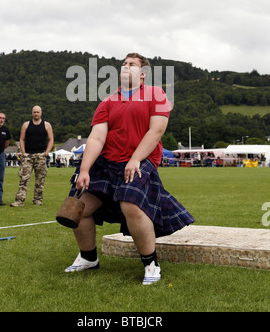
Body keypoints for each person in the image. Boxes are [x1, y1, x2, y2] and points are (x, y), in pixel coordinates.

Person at [64, 53, 195, 285]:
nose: (125, 66)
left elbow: (156, 130)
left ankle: (151, 263)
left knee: (130, 204)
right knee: (79, 207)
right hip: (106, 162)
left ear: (142, 74)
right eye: (123, 64)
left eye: (131, 64)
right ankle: (88, 258)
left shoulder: (156, 94)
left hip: (140, 159)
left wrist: (135, 159)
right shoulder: (108, 101)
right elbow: (96, 137)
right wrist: (84, 169)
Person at [10, 106, 53, 207]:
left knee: (40, 179)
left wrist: (46, 152)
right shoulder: (26, 124)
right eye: (34, 112)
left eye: (38, 112)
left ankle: (37, 199)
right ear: (32, 113)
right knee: (24, 178)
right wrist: (23, 152)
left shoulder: (47, 125)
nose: (36, 114)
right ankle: (19, 200)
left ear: (41, 113)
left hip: (41, 155)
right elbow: (21, 139)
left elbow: (51, 139)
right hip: (28, 155)